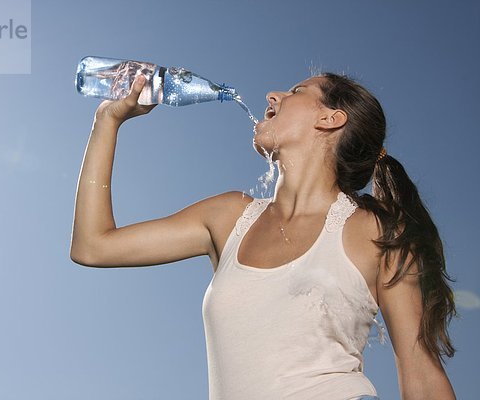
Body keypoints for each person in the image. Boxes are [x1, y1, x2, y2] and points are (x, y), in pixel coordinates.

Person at [69, 73, 457, 399]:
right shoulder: (227, 218)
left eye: (297, 92)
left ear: (331, 120)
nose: (274, 95)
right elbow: (93, 245)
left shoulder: (375, 231)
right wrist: (107, 120)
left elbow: (420, 372)